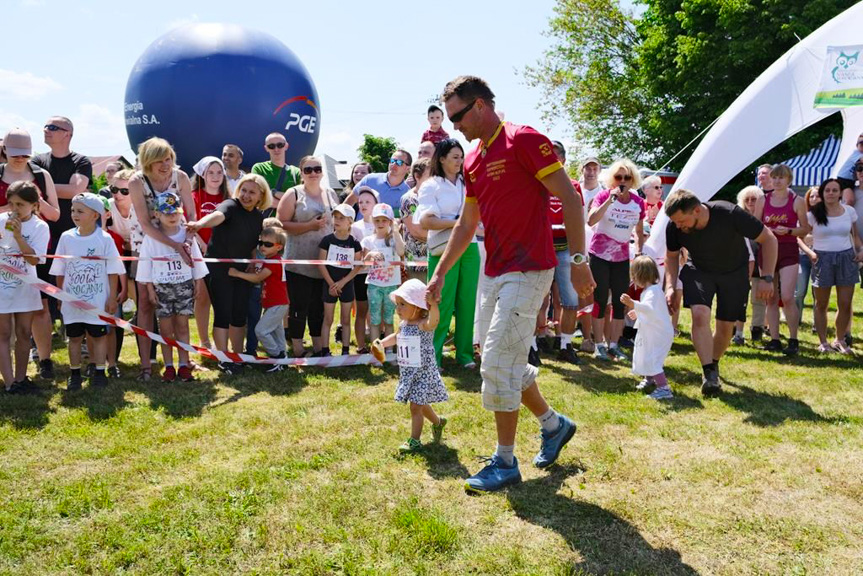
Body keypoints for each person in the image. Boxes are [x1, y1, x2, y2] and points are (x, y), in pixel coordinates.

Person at [431, 75, 594, 493]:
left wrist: (578, 262)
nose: (455, 128)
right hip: (494, 271)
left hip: (531, 268)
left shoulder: (524, 140)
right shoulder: (471, 160)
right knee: (502, 355)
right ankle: (554, 426)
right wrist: (440, 271)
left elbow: (571, 200)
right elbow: (468, 225)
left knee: (496, 364)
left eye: (458, 117)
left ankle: (505, 461)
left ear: (481, 105)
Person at [664, 189, 777, 397]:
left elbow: (769, 239)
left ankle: (713, 365)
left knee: (726, 328)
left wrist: (767, 277)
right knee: (699, 315)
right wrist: (670, 286)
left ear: (697, 210)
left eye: (682, 221)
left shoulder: (729, 213)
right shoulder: (674, 226)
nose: (678, 226)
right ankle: (708, 372)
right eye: (676, 222)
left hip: (734, 272)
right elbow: (671, 256)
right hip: (699, 270)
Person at [186, 174, 271, 374]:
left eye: (252, 192)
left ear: (261, 196)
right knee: (223, 313)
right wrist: (200, 224)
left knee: (239, 314)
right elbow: (217, 216)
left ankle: (237, 356)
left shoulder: (260, 217)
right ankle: (224, 358)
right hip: (219, 269)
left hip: (241, 271)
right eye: (243, 190)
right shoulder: (230, 205)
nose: (246, 195)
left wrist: (252, 261)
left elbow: (251, 243)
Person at [127, 137, 196, 381]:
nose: (165, 165)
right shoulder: (136, 181)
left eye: (168, 159)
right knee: (145, 302)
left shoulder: (182, 177)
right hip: (146, 242)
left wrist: (186, 241)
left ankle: (184, 359)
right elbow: (146, 223)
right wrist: (174, 246)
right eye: (159, 161)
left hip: (179, 238)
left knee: (182, 306)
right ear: (147, 162)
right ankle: (147, 364)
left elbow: (191, 214)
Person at [30, 117, 91, 381]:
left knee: (76, 288)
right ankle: (38, 348)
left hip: (73, 237)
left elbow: (77, 189)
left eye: (52, 127)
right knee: (40, 296)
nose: (46, 130)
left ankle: (84, 340)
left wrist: (42, 188)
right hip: (40, 236)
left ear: (67, 133)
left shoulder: (81, 161)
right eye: (45, 126)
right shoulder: (37, 161)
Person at [49, 193, 124, 391]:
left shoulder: (104, 239)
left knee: (98, 336)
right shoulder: (66, 237)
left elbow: (113, 270)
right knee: (74, 338)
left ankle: (100, 371)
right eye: (73, 210)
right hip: (72, 301)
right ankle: (75, 374)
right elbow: (60, 268)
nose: (74, 214)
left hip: (97, 300)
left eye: (80, 211)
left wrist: (111, 298)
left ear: (95, 215)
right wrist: (60, 295)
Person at [417, 138, 479, 368]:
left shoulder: (467, 183)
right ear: (441, 159)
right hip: (443, 249)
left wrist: (465, 226)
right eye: (455, 157)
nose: (460, 161)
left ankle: (465, 355)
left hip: (470, 247)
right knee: (441, 302)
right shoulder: (431, 185)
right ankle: (433, 356)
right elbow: (426, 221)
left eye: (461, 157)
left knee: (467, 301)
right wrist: (458, 223)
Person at [137, 192, 208, 382]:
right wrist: (150, 290)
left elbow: (197, 261)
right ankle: (169, 366)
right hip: (162, 289)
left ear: (181, 212)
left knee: (183, 327)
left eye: (175, 212)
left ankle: (184, 365)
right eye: (166, 213)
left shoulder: (187, 235)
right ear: (157, 215)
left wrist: (198, 283)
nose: (172, 216)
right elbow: (146, 266)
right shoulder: (151, 238)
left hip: (184, 286)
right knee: (166, 329)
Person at [371, 279, 448, 453]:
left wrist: (433, 305)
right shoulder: (403, 324)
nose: (397, 309)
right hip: (408, 372)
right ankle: (438, 422)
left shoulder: (423, 324)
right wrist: (381, 343)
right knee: (418, 403)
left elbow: (434, 321)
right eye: (397, 304)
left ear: (417, 306)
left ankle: (415, 440)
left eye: (403, 304)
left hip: (423, 372)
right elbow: (396, 337)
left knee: (415, 406)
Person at [277, 156, 340, 357]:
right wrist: (309, 226)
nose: (313, 173)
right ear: (301, 172)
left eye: (317, 168)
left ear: (322, 172)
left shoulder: (330, 193)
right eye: (308, 169)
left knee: (318, 308)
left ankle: (319, 345)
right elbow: (281, 225)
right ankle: (297, 346)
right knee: (299, 306)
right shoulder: (293, 193)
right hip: (299, 263)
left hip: (325, 264)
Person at [587, 158, 645, 361]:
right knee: (600, 299)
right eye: (618, 177)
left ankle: (614, 345)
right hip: (599, 255)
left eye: (627, 177)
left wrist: (638, 252)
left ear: (633, 180)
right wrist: (609, 201)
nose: (622, 180)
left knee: (621, 302)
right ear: (612, 178)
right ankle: (598, 345)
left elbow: (639, 230)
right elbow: (591, 220)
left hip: (621, 257)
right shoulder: (604, 195)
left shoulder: (638, 202)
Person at [753, 164, 809, 356]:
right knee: (770, 298)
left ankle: (793, 339)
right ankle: (775, 339)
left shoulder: (797, 201)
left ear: (789, 180)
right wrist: (767, 232)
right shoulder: (763, 199)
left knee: (787, 297)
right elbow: (755, 225)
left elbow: (806, 228)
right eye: (774, 177)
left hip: (788, 249)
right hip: (767, 249)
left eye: (781, 178)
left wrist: (790, 231)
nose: (777, 181)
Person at [0, 182, 50, 394]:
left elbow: (33, 261)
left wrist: (19, 237)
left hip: (26, 286)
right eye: (11, 204)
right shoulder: (2, 221)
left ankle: (21, 378)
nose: (15, 209)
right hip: (2, 285)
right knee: (3, 333)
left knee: (23, 332)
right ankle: (9, 381)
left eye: (20, 204)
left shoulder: (40, 227)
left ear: (34, 205)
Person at [807, 178, 863, 353]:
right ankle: (823, 342)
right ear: (822, 193)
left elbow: (855, 235)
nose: (830, 193)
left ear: (840, 193)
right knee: (821, 303)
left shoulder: (849, 211)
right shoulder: (813, 214)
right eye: (827, 190)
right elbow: (799, 238)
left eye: (834, 190)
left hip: (847, 258)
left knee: (845, 303)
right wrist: (811, 253)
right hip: (822, 259)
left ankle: (839, 340)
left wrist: (861, 250)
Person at [228, 226, 290, 368]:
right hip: (274, 303)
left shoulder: (274, 261)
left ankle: (276, 356)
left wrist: (237, 273)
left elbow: (258, 278)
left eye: (268, 244)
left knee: (261, 331)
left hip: (277, 303)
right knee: (277, 332)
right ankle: (282, 359)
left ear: (278, 247)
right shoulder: (270, 259)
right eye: (261, 243)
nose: (263, 247)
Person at [547, 140, 583, 364]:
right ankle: (532, 346)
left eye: (557, 154)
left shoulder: (573, 185)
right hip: (541, 247)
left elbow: (578, 218)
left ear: (564, 159)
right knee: (538, 300)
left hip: (566, 248)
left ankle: (565, 344)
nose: (553, 158)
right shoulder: (537, 182)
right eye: (549, 154)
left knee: (570, 300)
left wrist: (581, 254)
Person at [620, 255, 674, 400]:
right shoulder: (650, 291)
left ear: (639, 275)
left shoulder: (653, 291)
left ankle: (664, 388)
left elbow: (649, 308)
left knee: (652, 359)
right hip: (654, 332)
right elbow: (651, 310)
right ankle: (649, 379)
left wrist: (633, 304)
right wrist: (637, 311)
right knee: (645, 354)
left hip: (658, 334)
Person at [191, 156, 230, 350]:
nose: (215, 176)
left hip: (222, 254)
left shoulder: (228, 200)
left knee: (222, 299)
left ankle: (222, 340)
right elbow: (189, 226)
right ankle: (204, 341)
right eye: (210, 172)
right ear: (202, 175)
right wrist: (203, 246)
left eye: (219, 172)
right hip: (199, 254)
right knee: (202, 298)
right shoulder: (193, 196)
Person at [318, 204, 362, 356]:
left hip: (346, 284)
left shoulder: (355, 243)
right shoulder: (327, 240)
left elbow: (357, 266)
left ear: (350, 221)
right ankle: (325, 350)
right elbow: (321, 264)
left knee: (345, 319)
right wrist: (331, 284)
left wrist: (343, 282)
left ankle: (345, 350)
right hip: (329, 284)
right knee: (328, 318)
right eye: (335, 217)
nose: (336, 220)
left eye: (341, 218)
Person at [362, 203, 404, 351]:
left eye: (384, 220)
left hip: (391, 286)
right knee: (374, 320)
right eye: (377, 220)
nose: (380, 223)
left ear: (390, 222)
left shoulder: (394, 239)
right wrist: (370, 255)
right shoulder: (368, 240)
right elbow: (363, 264)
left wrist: (396, 232)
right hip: (374, 285)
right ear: (373, 220)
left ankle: (389, 351)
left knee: (388, 320)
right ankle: (376, 352)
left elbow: (401, 251)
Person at [732, 186, 766, 345]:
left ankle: (757, 329)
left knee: (759, 299)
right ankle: (735, 330)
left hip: (762, 262)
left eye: (754, 199)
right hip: (742, 263)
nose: (751, 202)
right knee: (739, 298)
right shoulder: (739, 217)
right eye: (748, 199)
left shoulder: (766, 217)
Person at [350, 187, 379, 353]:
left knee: (380, 311)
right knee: (362, 311)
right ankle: (361, 345)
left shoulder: (385, 225)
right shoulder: (355, 227)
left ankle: (381, 342)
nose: (363, 205)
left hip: (381, 276)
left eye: (368, 201)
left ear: (376, 203)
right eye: (360, 202)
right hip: (361, 276)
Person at [344, 150, 412, 216]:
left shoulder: (408, 195)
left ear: (408, 169)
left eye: (399, 162)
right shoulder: (369, 179)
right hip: (360, 227)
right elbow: (347, 204)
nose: (393, 164)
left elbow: (409, 218)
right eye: (392, 161)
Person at [400, 158, 431, 282]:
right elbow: (417, 232)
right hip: (418, 264)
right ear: (417, 176)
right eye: (431, 175)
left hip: (436, 260)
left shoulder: (434, 197)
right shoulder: (409, 199)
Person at [251, 133, 301, 206]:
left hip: (289, 218)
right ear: (266, 148)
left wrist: (274, 193)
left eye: (280, 145)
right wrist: (289, 204)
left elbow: (301, 199)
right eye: (271, 146)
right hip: (265, 217)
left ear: (286, 146)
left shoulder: (295, 172)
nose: (276, 149)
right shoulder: (259, 168)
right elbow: (257, 196)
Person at [794, 187, 820, 324]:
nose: (814, 199)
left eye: (817, 196)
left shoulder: (829, 216)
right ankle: (796, 319)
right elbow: (797, 237)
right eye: (812, 196)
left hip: (821, 256)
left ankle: (818, 323)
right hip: (803, 256)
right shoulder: (804, 215)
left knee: (818, 293)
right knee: (799, 291)